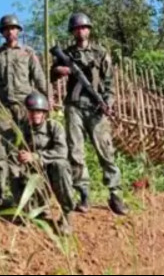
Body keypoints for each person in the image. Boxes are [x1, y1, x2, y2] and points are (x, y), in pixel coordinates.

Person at [51, 13, 128, 216]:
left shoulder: (101, 53)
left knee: (106, 152)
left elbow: (110, 82)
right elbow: (51, 74)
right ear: (73, 32)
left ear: (89, 29)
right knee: (76, 152)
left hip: (95, 107)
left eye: (84, 27)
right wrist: (61, 70)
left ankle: (115, 195)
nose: (80, 31)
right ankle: (83, 194)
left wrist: (107, 103)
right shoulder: (67, 53)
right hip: (74, 106)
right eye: (77, 28)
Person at [0, 14, 48, 209]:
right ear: (2, 32)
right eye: (6, 29)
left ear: (19, 31)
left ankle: (27, 195)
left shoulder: (28, 53)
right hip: (3, 108)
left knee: (27, 149)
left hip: (25, 108)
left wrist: (48, 100)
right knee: (0, 150)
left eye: (13, 28)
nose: (10, 31)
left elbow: (39, 79)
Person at [1, 92, 75, 234]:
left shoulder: (54, 127)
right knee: (12, 169)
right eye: (31, 111)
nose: (35, 114)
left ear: (44, 113)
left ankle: (66, 214)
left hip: (51, 174)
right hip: (33, 175)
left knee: (61, 165)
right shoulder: (22, 129)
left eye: (38, 111)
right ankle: (27, 208)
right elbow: (12, 150)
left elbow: (62, 152)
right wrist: (19, 156)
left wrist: (36, 156)